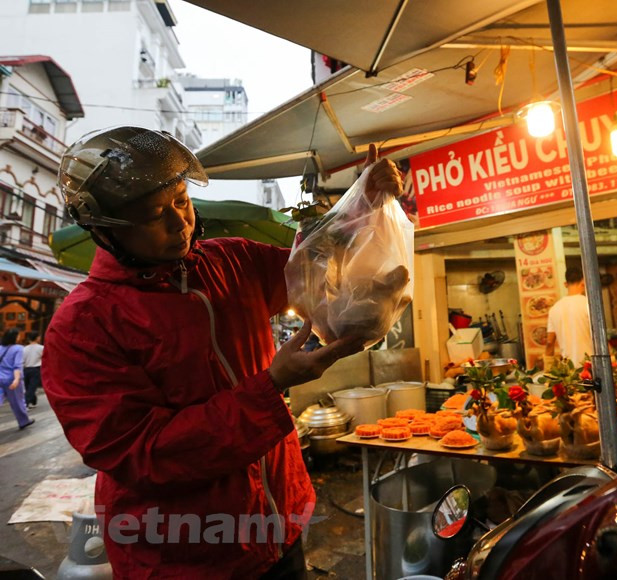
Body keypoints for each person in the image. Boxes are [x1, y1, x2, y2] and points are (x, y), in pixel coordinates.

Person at [43, 127, 403, 578]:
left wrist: (362, 208)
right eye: (154, 215)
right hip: (185, 557)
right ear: (103, 229)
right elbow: (144, 454)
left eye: (181, 200)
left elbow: (310, 266)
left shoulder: (231, 261)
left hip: (281, 523)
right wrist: (273, 384)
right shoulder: (83, 326)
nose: (179, 223)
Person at [544, 266, 593, 368]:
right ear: (583, 282)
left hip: (569, 369)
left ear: (565, 284)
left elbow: (549, 342)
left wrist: (548, 368)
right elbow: (599, 336)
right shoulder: (589, 304)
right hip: (590, 366)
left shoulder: (554, 309)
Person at [0, 328, 34, 430]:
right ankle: (23, 421)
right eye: (18, 335)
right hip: (11, 380)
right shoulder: (18, 348)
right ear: (14, 337)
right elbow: (17, 366)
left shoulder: (0, 348)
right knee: (18, 402)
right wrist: (16, 379)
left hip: (0, 378)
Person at [22, 331, 43, 409]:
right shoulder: (41, 348)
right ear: (37, 338)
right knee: (32, 387)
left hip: (26, 369)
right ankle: (26, 404)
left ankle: (33, 401)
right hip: (36, 370)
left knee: (28, 387)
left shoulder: (24, 349)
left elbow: (22, 360)